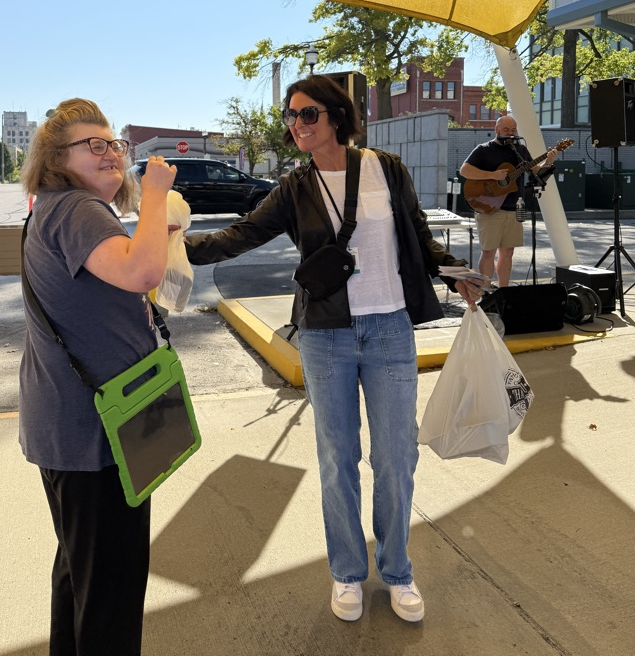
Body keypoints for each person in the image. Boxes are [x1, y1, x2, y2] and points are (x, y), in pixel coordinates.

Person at [185, 75, 486, 623]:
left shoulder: (385, 168)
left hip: (390, 329)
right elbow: (240, 235)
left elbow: (417, 236)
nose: (295, 125)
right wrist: (171, 253)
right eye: (291, 116)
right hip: (326, 336)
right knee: (337, 460)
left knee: (396, 457)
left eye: (307, 114)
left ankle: (397, 570)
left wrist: (454, 274)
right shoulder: (295, 187)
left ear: (335, 116)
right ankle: (347, 572)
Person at [19, 98, 177, 656]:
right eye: (95, 145)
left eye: (114, 143)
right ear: (56, 158)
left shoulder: (58, 209)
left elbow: (127, 273)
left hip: (72, 427)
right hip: (96, 434)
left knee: (81, 577)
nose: (112, 153)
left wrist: (157, 223)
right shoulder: (77, 209)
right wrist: (155, 193)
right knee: (110, 594)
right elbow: (142, 271)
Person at [460, 116, 557, 287]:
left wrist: (548, 161)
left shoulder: (520, 150)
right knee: (488, 252)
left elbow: (538, 174)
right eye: (506, 130)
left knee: (508, 252)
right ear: (496, 129)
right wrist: (492, 175)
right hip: (489, 207)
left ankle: (503, 291)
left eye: (513, 130)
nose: (511, 133)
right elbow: (465, 170)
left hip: (513, 208)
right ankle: (485, 292)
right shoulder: (484, 149)